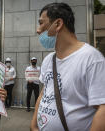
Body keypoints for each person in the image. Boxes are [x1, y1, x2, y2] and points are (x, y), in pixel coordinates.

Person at [30, 2, 105, 131]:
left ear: (58, 24)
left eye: (42, 23)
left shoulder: (91, 59)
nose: (38, 30)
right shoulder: (49, 59)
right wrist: (34, 125)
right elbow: (43, 94)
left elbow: (102, 108)